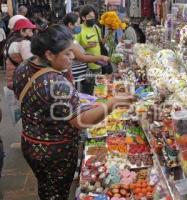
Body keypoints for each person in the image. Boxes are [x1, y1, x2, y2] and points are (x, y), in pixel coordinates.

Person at [13, 24, 134, 200]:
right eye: (67, 53)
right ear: (49, 54)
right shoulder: (56, 83)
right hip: (55, 152)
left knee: (46, 187)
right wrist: (112, 103)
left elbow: (29, 98)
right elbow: (80, 121)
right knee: (57, 193)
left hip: (31, 142)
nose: (72, 57)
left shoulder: (24, 66)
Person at [62, 12, 110, 92]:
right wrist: (101, 57)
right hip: (76, 78)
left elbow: (81, 53)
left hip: (80, 77)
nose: (79, 26)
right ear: (70, 25)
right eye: (77, 23)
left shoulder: (71, 38)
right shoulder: (67, 40)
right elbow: (82, 58)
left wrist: (93, 58)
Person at [76, 5, 113, 94]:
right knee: (88, 92)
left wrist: (110, 33)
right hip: (86, 67)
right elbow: (75, 48)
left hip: (99, 65)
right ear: (83, 17)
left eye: (94, 17)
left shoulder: (96, 27)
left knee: (98, 91)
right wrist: (86, 46)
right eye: (90, 17)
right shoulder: (78, 29)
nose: (93, 19)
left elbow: (102, 42)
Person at [5, 18, 36, 90]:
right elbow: (32, 62)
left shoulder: (10, 40)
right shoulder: (23, 43)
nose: (32, 33)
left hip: (12, 80)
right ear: (22, 30)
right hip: (21, 82)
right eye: (30, 30)